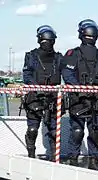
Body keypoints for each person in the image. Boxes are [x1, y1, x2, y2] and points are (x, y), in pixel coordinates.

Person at [61, 19, 98, 170]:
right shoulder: (73, 54)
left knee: (96, 132)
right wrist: (79, 87)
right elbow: (67, 72)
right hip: (79, 99)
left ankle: (94, 160)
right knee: (77, 131)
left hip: (97, 100)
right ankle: (73, 159)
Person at [22, 25, 63, 161]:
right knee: (32, 129)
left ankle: (53, 158)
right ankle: (31, 155)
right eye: (45, 40)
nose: (47, 43)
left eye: (49, 40)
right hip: (35, 98)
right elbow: (27, 75)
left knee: (54, 131)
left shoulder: (58, 58)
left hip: (53, 98)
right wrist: (36, 87)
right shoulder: (31, 56)